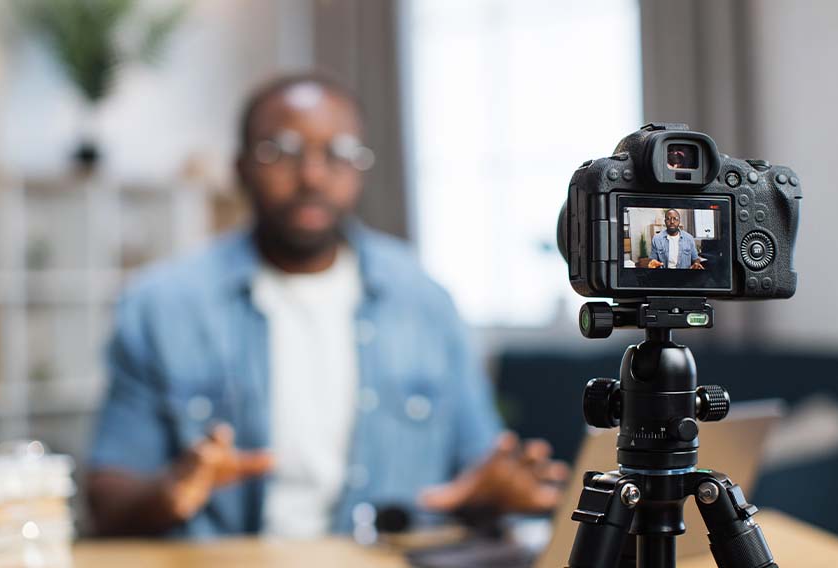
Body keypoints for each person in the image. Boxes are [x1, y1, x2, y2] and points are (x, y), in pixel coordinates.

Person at [86, 73, 567, 538]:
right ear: (241, 168)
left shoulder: (424, 302)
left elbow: (476, 470)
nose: (312, 175)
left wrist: (497, 491)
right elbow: (108, 501)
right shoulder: (162, 307)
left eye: (338, 154)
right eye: (283, 151)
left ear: (360, 169)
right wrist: (170, 490)